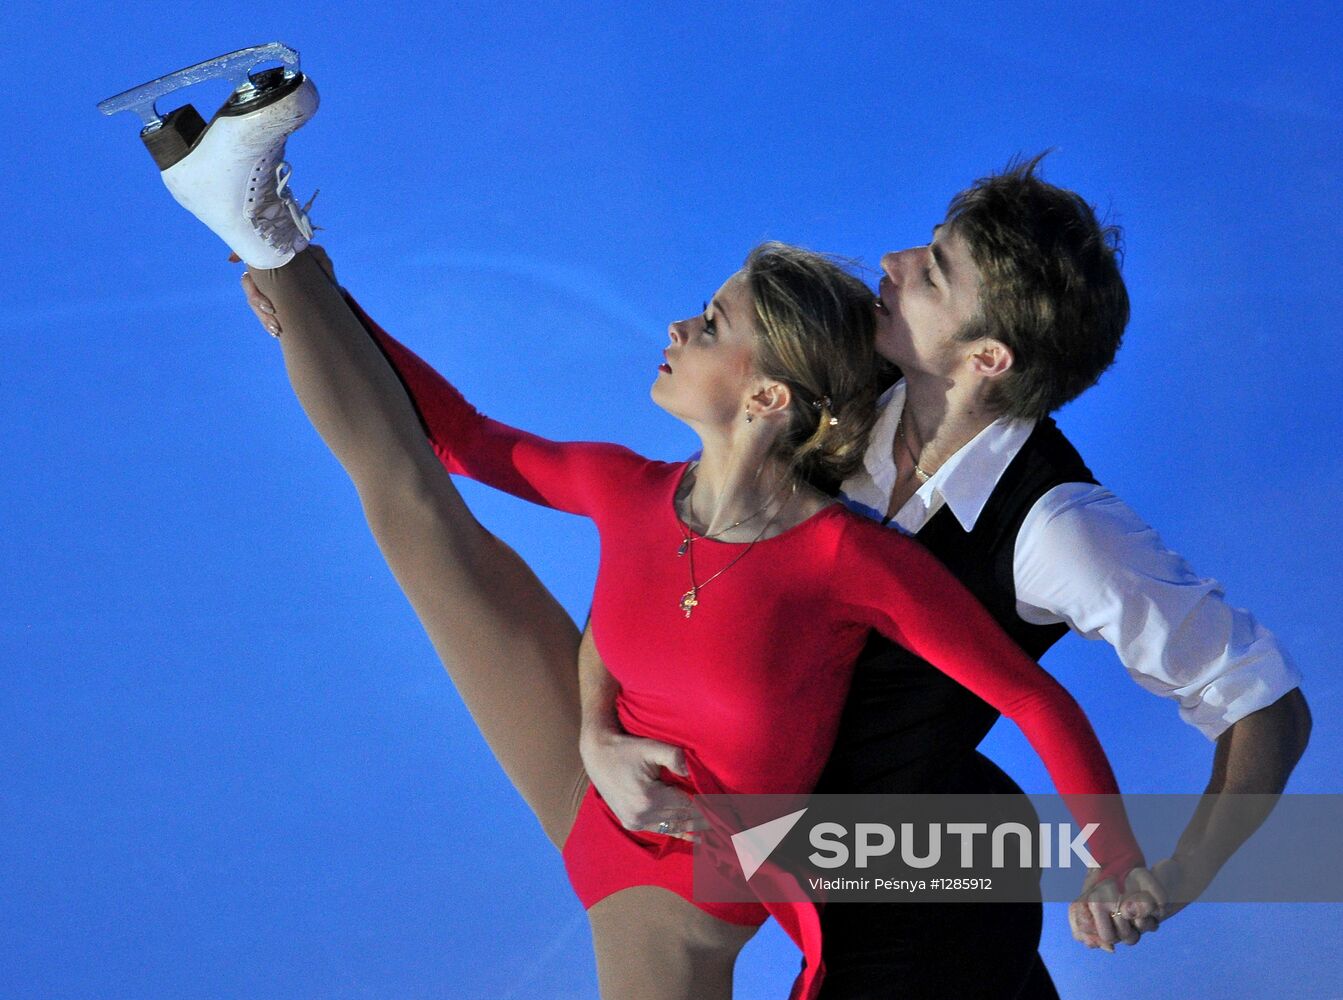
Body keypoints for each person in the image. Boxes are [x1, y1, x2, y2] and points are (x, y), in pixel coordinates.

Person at [149, 88, 1155, 999]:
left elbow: (1030, 696)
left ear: (766, 396)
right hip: (585, 774)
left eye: (711, 322)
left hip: (679, 906)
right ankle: (259, 227)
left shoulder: (851, 560)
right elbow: (455, 434)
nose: (678, 324)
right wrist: (317, 299)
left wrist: (1110, 857)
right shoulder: (626, 487)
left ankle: (273, 253)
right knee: (410, 506)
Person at [573, 155, 1313, 998]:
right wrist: (595, 733)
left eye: (929, 274)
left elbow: (1263, 703)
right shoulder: (837, 395)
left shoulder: (1057, 529)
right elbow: (670, 549)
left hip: (913, 886)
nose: (889, 265)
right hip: (788, 853)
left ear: (987, 356)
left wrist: (1178, 876)